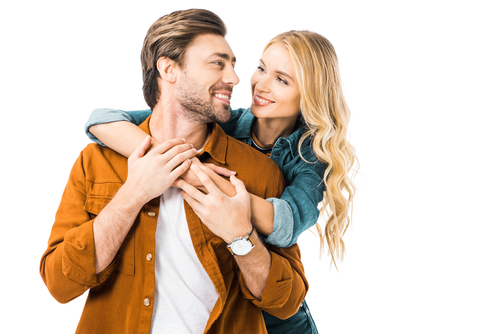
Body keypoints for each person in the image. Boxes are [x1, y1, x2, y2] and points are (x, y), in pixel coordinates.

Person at [40, 9, 308, 334]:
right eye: (217, 63)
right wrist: (133, 194)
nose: (236, 79)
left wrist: (242, 236)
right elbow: (59, 283)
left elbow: (286, 301)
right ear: (169, 68)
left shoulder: (258, 172)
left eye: (234, 64)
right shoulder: (97, 160)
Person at [85, 29, 357, 333]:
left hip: (279, 321)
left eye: (281, 80)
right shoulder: (224, 121)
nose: (260, 84)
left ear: (310, 94)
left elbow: (285, 225)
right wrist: (182, 167)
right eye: (261, 68)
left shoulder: (311, 157)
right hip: (224, 307)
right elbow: (102, 120)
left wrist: (210, 186)